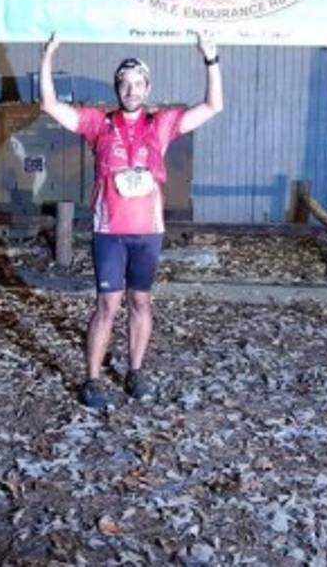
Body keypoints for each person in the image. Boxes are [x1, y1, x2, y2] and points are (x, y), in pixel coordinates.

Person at [39, 31, 224, 408]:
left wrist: (210, 59)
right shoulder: (99, 123)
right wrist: (48, 56)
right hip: (109, 231)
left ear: (147, 88)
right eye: (125, 83)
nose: (132, 90)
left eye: (138, 84)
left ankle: (135, 371)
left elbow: (213, 106)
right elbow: (50, 105)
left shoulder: (162, 123)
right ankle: (92, 379)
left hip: (148, 232)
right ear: (117, 88)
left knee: (141, 301)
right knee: (108, 305)